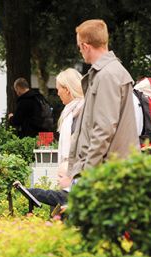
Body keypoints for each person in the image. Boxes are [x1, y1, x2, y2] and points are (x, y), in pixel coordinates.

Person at [67, 19, 138, 182]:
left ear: (85, 46)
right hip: (107, 170)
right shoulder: (108, 72)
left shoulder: (107, 75)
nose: (80, 51)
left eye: (79, 47)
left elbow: (104, 128)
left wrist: (88, 173)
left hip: (104, 174)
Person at [55, 69, 84, 164]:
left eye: (58, 89)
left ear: (67, 90)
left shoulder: (81, 112)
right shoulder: (74, 111)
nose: (58, 93)